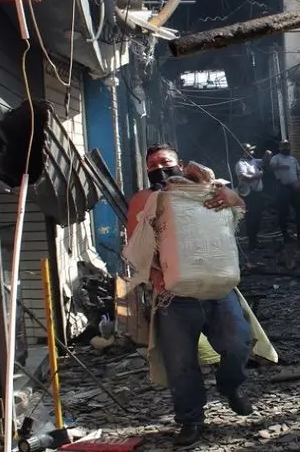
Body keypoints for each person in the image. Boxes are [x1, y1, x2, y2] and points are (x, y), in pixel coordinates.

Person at [125, 144, 254, 448]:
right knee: (181, 364)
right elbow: (136, 244)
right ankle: (191, 419)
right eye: (153, 164)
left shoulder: (207, 190)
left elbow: (238, 210)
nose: (159, 168)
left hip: (218, 289)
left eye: (165, 162)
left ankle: (230, 385)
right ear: (146, 171)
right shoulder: (145, 199)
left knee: (238, 344)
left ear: (180, 164)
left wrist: (230, 196)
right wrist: (157, 277)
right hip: (175, 296)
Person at [268, 139, 300, 242]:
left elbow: (297, 172)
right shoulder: (276, 158)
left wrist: (298, 183)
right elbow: (271, 168)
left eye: (287, 146)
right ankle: (285, 235)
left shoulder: (293, 159)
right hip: (282, 187)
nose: (286, 148)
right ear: (280, 147)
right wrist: (280, 167)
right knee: (284, 211)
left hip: (294, 187)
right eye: (283, 146)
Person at [235, 144, 265, 250]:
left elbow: (265, 161)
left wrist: (267, 155)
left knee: (258, 217)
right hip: (249, 194)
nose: (251, 153)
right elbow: (243, 177)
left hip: (257, 193)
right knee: (251, 217)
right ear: (244, 152)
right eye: (249, 151)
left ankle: (256, 239)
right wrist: (257, 176)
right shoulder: (240, 164)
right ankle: (252, 242)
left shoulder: (254, 161)